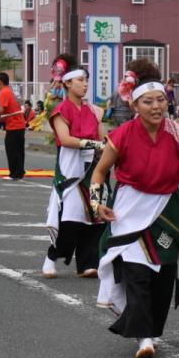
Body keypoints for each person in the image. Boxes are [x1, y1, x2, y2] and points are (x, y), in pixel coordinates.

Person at [91, 59, 179, 358]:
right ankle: (144, 336)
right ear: (135, 105)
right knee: (137, 271)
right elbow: (99, 172)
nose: (156, 107)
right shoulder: (120, 136)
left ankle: (152, 329)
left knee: (163, 272)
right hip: (129, 207)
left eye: (161, 100)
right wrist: (97, 202)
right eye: (148, 102)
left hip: (166, 209)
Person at [43, 54, 106, 279]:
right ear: (68, 83)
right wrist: (94, 143)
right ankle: (52, 255)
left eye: (86, 80)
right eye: (80, 80)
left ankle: (87, 263)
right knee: (70, 218)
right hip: (70, 166)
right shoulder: (61, 110)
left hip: (93, 167)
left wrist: (108, 151)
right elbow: (65, 139)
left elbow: (103, 140)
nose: (85, 84)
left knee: (95, 218)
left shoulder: (94, 111)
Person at [0, 72, 26, 180]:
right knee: (18, 151)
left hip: (15, 126)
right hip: (18, 125)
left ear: (0, 82)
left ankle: (14, 174)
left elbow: (0, 110)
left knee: (12, 150)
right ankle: (19, 172)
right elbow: (6, 114)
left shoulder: (3, 92)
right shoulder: (9, 91)